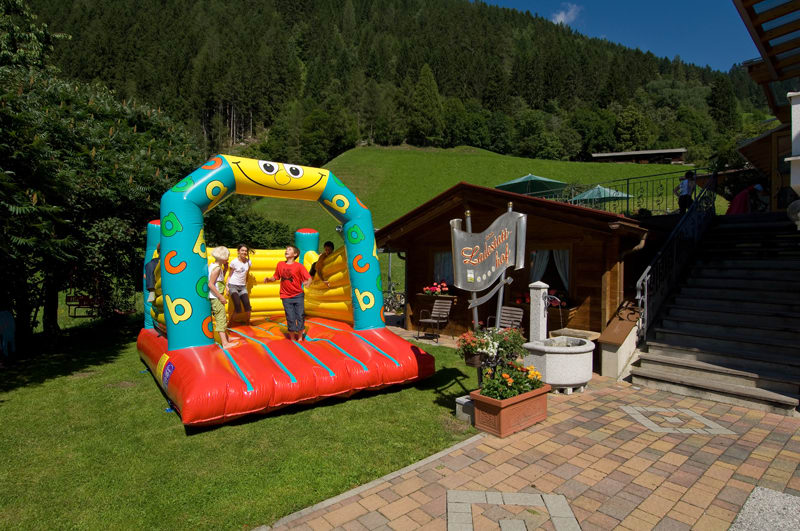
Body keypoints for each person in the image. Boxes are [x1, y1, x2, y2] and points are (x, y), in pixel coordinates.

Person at [264, 245, 311, 341]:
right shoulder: (280, 264)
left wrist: (308, 283)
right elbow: (276, 277)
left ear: (295, 254)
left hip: (298, 295)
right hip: (285, 296)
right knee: (290, 317)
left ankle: (300, 337)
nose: (286, 251)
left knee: (300, 315)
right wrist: (269, 279)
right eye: (286, 249)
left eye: (289, 249)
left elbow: (309, 278)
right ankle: (292, 338)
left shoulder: (299, 266)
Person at [208, 246, 239, 348]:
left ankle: (227, 338)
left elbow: (219, 280)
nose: (228, 258)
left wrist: (225, 270)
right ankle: (225, 343)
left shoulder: (215, 266)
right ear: (222, 257)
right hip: (216, 297)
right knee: (221, 319)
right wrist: (220, 297)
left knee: (223, 317)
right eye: (227, 256)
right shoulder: (216, 269)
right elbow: (211, 284)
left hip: (216, 296)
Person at [227, 243, 252, 320]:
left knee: (247, 306)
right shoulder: (234, 262)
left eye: (245, 251)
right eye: (242, 250)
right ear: (238, 251)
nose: (244, 252)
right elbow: (230, 275)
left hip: (242, 286)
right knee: (238, 306)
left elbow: (247, 274)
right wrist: (227, 287)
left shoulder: (248, 262)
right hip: (233, 286)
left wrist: (246, 284)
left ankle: (248, 323)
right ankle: (230, 324)